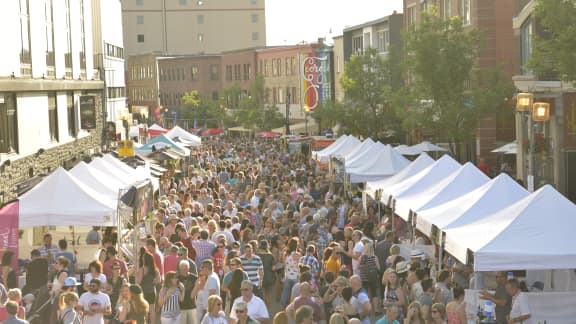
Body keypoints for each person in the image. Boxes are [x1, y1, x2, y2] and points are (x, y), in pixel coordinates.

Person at [136, 251, 161, 324]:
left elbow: (138, 282)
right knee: (152, 310)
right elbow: (159, 281)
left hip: (144, 292)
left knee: (145, 310)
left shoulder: (142, 269)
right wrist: (153, 281)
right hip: (152, 292)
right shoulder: (155, 270)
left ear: (145, 260)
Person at [178, 259, 198, 324]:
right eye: (182, 269)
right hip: (181, 307)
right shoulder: (177, 278)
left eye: (185, 269)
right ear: (179, 269)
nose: (184, 271)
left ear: (188, 268)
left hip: (192, 306)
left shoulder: (194, 278)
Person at [256, 240, 276, 306]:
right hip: (269, 277)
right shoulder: (271, 256)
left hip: (259, 277)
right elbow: (273, 268)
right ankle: (267, 308)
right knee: (267, 294)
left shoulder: (256, 255)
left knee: (260, 294)